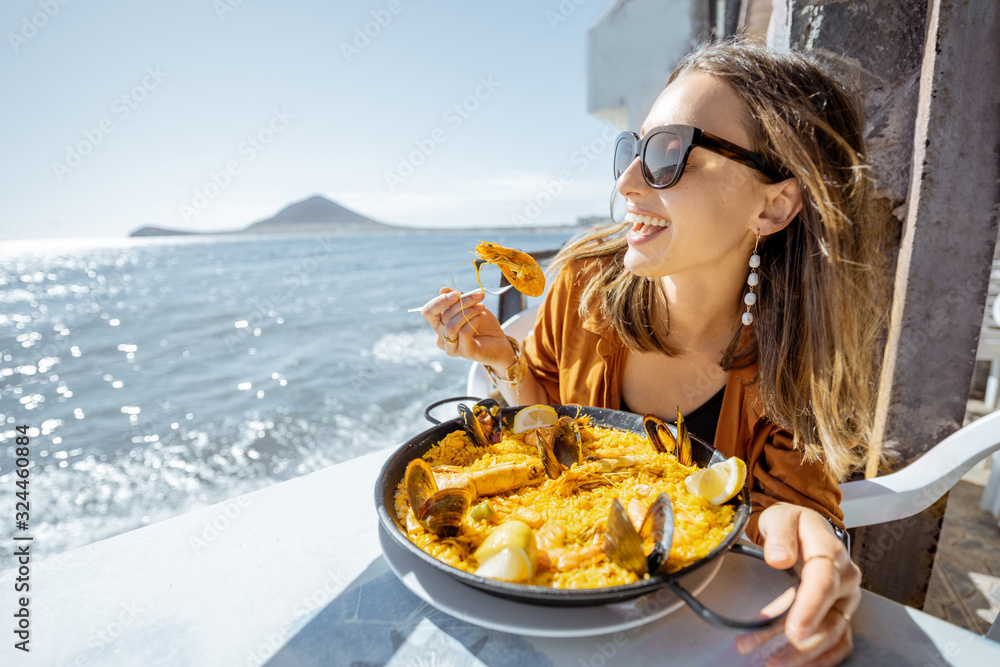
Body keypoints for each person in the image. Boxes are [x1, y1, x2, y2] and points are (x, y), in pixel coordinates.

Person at [422, 36, 889, 666]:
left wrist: (813, 544)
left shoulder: (796, 350)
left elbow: (792, 506)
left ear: (774, 204)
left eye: (670, 154)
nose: (626, 181)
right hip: (539, 611)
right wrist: (502, 358)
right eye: (632, 149)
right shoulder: (584, 281)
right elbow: (543, 426)